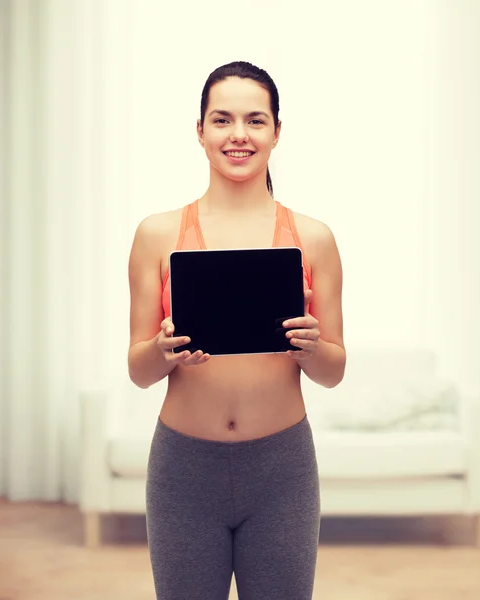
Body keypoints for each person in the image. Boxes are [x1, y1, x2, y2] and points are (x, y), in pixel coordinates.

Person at [127, 61, 346, 600]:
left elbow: (334, 371)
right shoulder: (157, 235)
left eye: (255, 120)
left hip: (282, 469)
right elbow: (138, 370)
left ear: (276, 132)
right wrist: (163, 350)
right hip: (183, 469)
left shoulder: (313, 239)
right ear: (199, 131)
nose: (239, 135)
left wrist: (310, 347)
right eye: (222, 120)